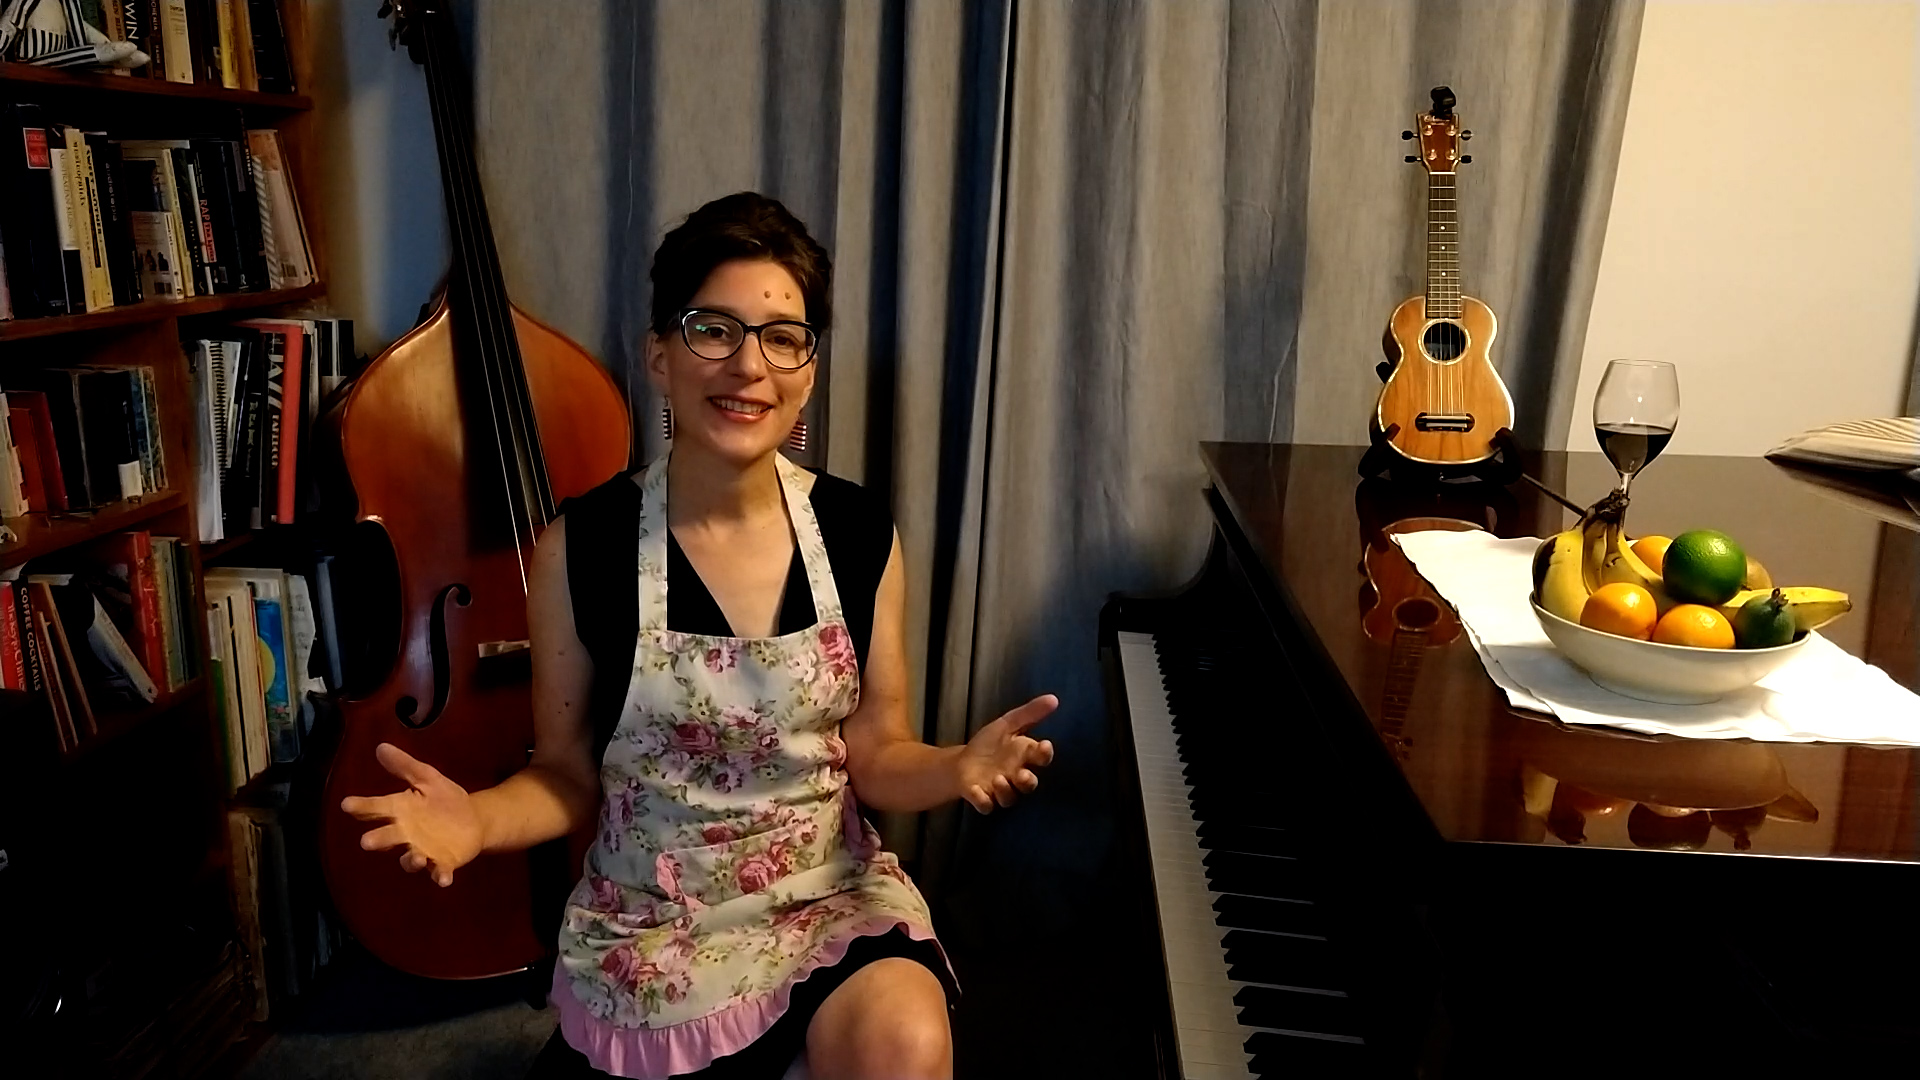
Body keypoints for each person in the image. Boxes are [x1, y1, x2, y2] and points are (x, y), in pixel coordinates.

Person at [339, 192, 1058, 1080]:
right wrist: (476, 821)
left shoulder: (860, 531)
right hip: (656, 922)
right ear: (660, 355)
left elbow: (876, 752)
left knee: (904, 1041)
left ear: (807, 367)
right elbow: (566, 773)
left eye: (781, 336)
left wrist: (951, 768)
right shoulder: (583, 547)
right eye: (713, 329)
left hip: (825, 896)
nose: (748, 365)